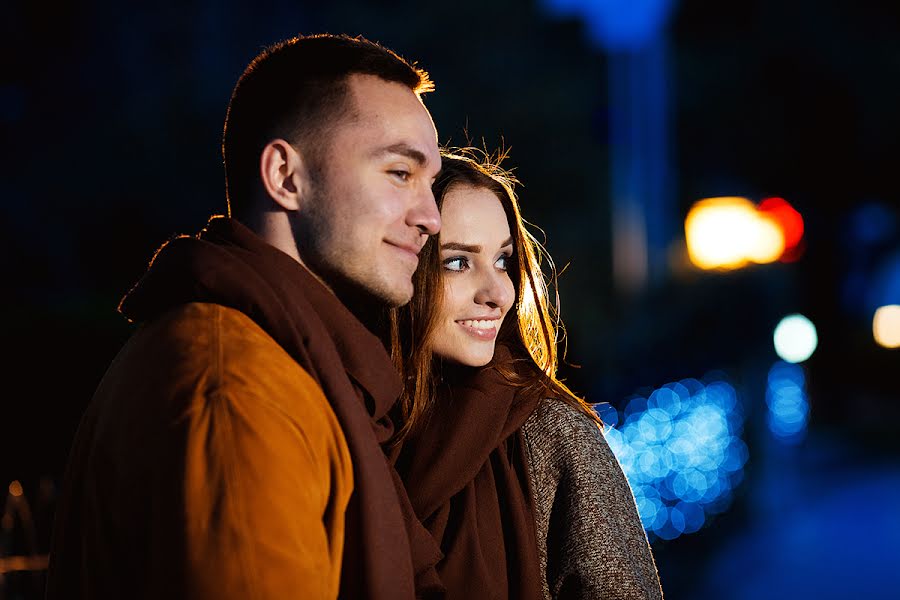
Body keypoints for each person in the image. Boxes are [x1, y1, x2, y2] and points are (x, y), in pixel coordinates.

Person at [46, 34, 446, 599]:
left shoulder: (277, 361)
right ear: (285, 176)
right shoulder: (235, 388)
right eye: (400, 173)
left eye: (430, 183)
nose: (430, 217)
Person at [391, 151, 664, 600]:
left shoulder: (554, 434)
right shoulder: (357, 426)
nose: (498, 292)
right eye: (458, 262)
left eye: (503, 261)